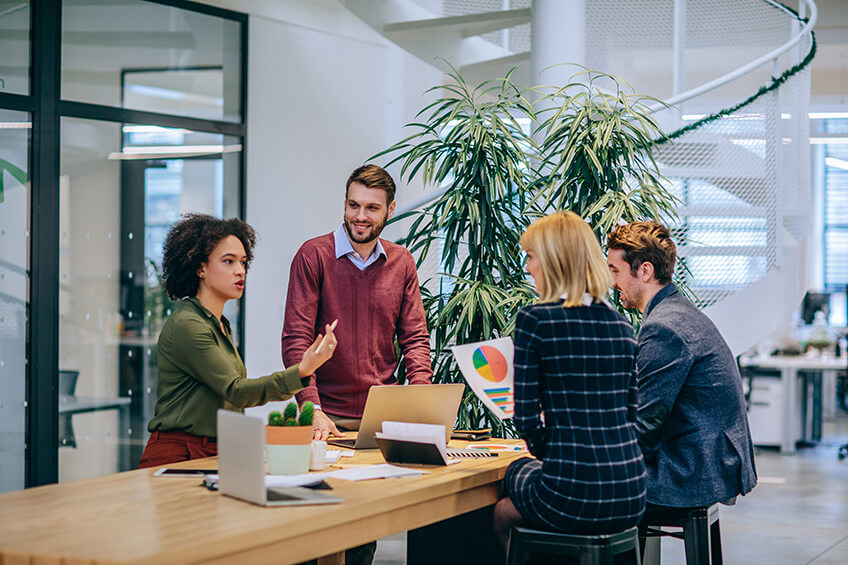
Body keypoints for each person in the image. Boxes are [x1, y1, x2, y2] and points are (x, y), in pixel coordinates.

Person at [493, 211, 647, 550]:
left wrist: (555, 455)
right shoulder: (622, 328)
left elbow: (526, 418)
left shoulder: (536, 320)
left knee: (506, 502)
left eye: (531, 256)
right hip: (631, 491)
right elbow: (632, 416)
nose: (529, 266)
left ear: (552, 260)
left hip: (572, 491)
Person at [139, 214, 337, 469]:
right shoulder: (188, 325)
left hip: (212, 451)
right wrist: (302, 370)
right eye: (228, 261)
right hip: (179, 455)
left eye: (243, 262)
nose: (240, 270)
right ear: (200, 268)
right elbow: (235, 391)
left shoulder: (219, 324)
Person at [606, 221, 757, 512]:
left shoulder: (665, 327)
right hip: (707, 460)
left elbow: (644, 426)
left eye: (615, 271)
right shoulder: (677, 311)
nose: (613, 282)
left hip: (691, 471)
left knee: (575, 486)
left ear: (645, 271)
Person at [282, 164, 433, 441]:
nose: (360, 216)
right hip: (325, 417)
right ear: (345, 203)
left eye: (372, 208)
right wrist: (311, 406)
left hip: (386, 416)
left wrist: (421, 400)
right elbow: (296, 340)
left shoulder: (402, 262)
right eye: (354, 205)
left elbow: (415, 339)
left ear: (391, 209)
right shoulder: (312, 256)